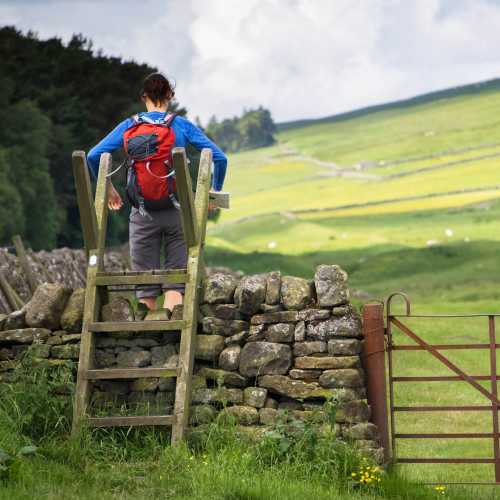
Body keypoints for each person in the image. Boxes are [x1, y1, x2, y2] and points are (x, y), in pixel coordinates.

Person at [87, 72, 227, 316]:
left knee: (145, 282)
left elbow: (92, 156)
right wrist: (213, 193)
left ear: (144, 97)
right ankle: (171, 326)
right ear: (170, 95)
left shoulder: (129, 126)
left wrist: (109, 189)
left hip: (141, 212)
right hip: (178, 212)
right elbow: (220, 157)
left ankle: (146, 333)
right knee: (176, 279)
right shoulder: (180, 125)